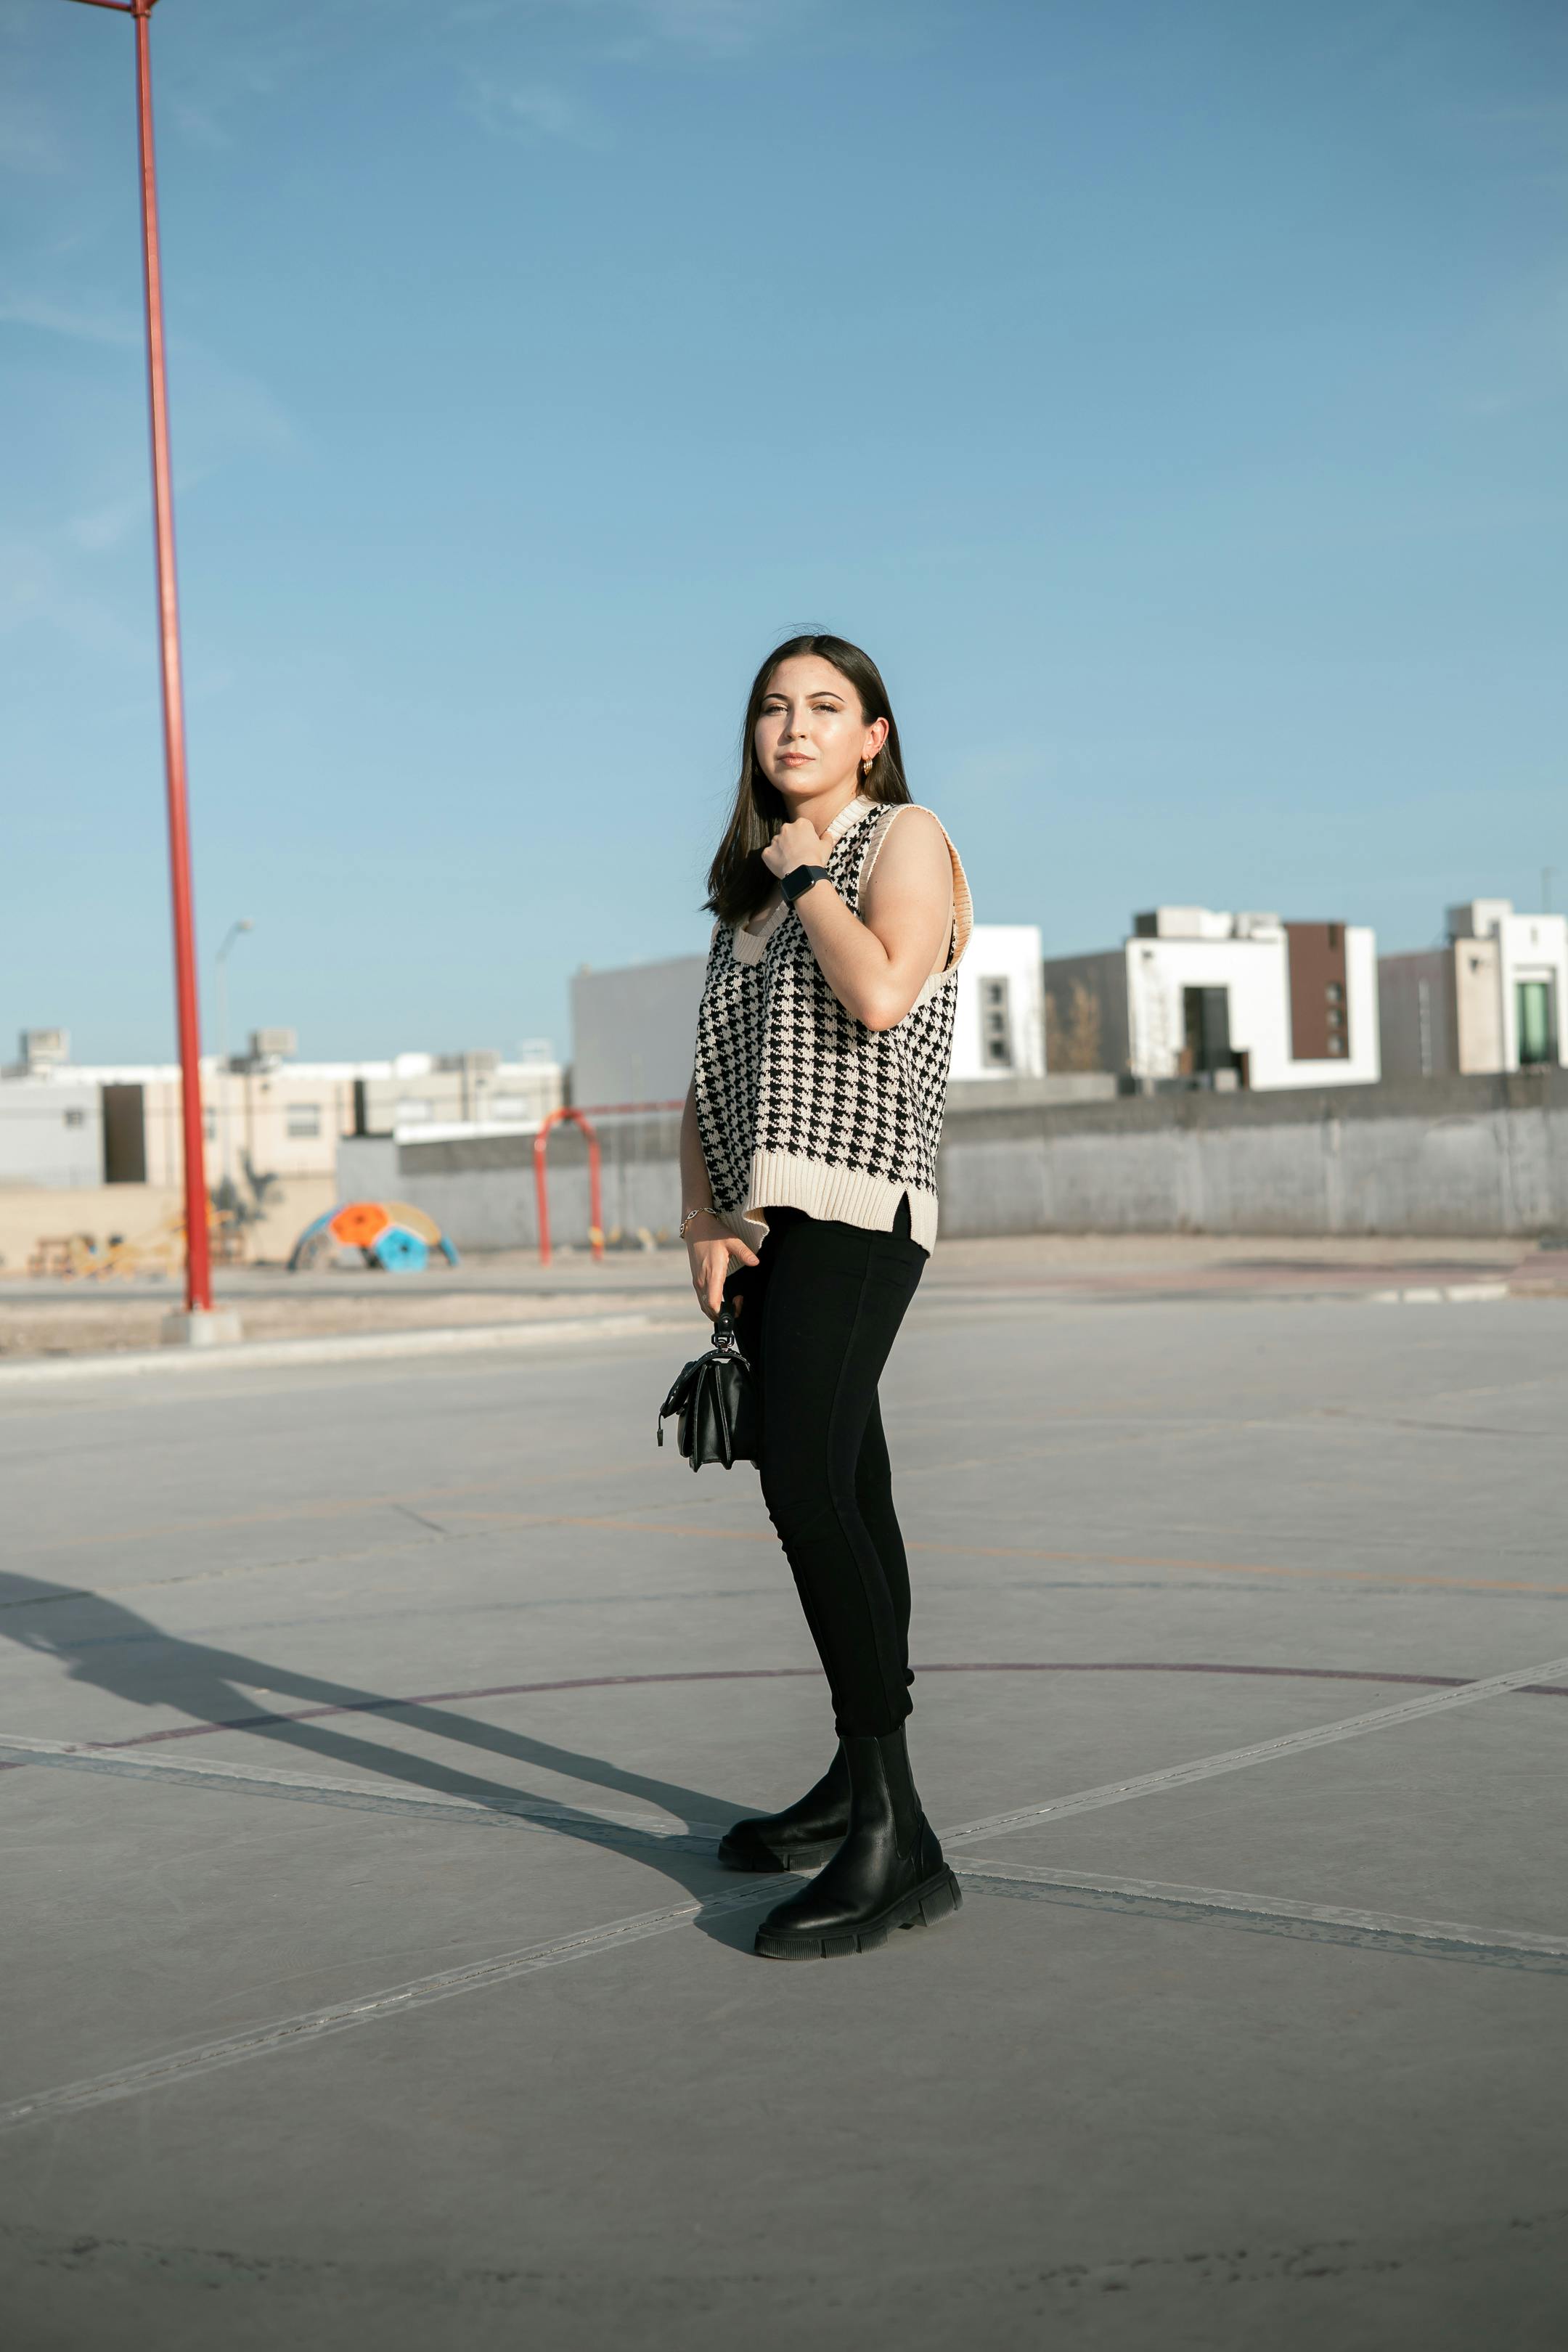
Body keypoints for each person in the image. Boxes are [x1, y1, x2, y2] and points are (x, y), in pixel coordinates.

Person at [678, 632, 973, 1961]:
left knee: (802, 1478)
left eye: (824, 707)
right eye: (772, 710)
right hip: (767, 1225)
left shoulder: (896, 838)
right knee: (850, 1483)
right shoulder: (749, 892)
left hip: (863, 1206)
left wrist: (806, 874)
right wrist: (700, 1217)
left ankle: (895, 1835)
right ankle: (862, 1787)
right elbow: (704, 1082)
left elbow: (881, 990)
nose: (792, 727)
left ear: (872, 732)